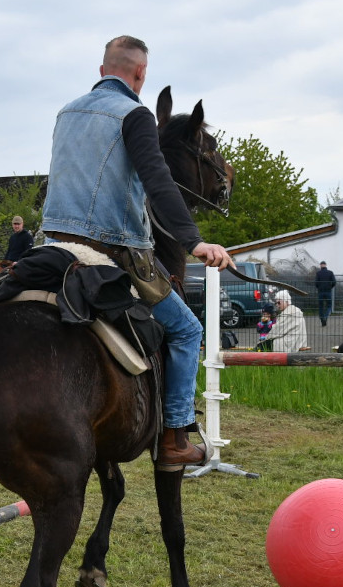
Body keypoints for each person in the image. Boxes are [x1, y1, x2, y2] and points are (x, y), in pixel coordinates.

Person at [39, 34, 233, 467]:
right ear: (141, 73)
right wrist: (194, 241)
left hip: (53, 244)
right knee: (187, 331)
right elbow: (159, 181)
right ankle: (174, 439)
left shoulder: (65, 112)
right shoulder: (135, 114)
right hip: (112, 250)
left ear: (102, 69)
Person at [314, 260, 336, 327]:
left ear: (320, 265)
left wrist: (319, 288)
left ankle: (322, 318)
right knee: (329, 305)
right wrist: (330, 287)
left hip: (321, 292)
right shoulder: (330, 273)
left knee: (321, 306)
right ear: (326, 265)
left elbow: (316, 283)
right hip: (328, 291)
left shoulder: (318, 273)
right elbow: (334, 282)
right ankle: (326, 316)